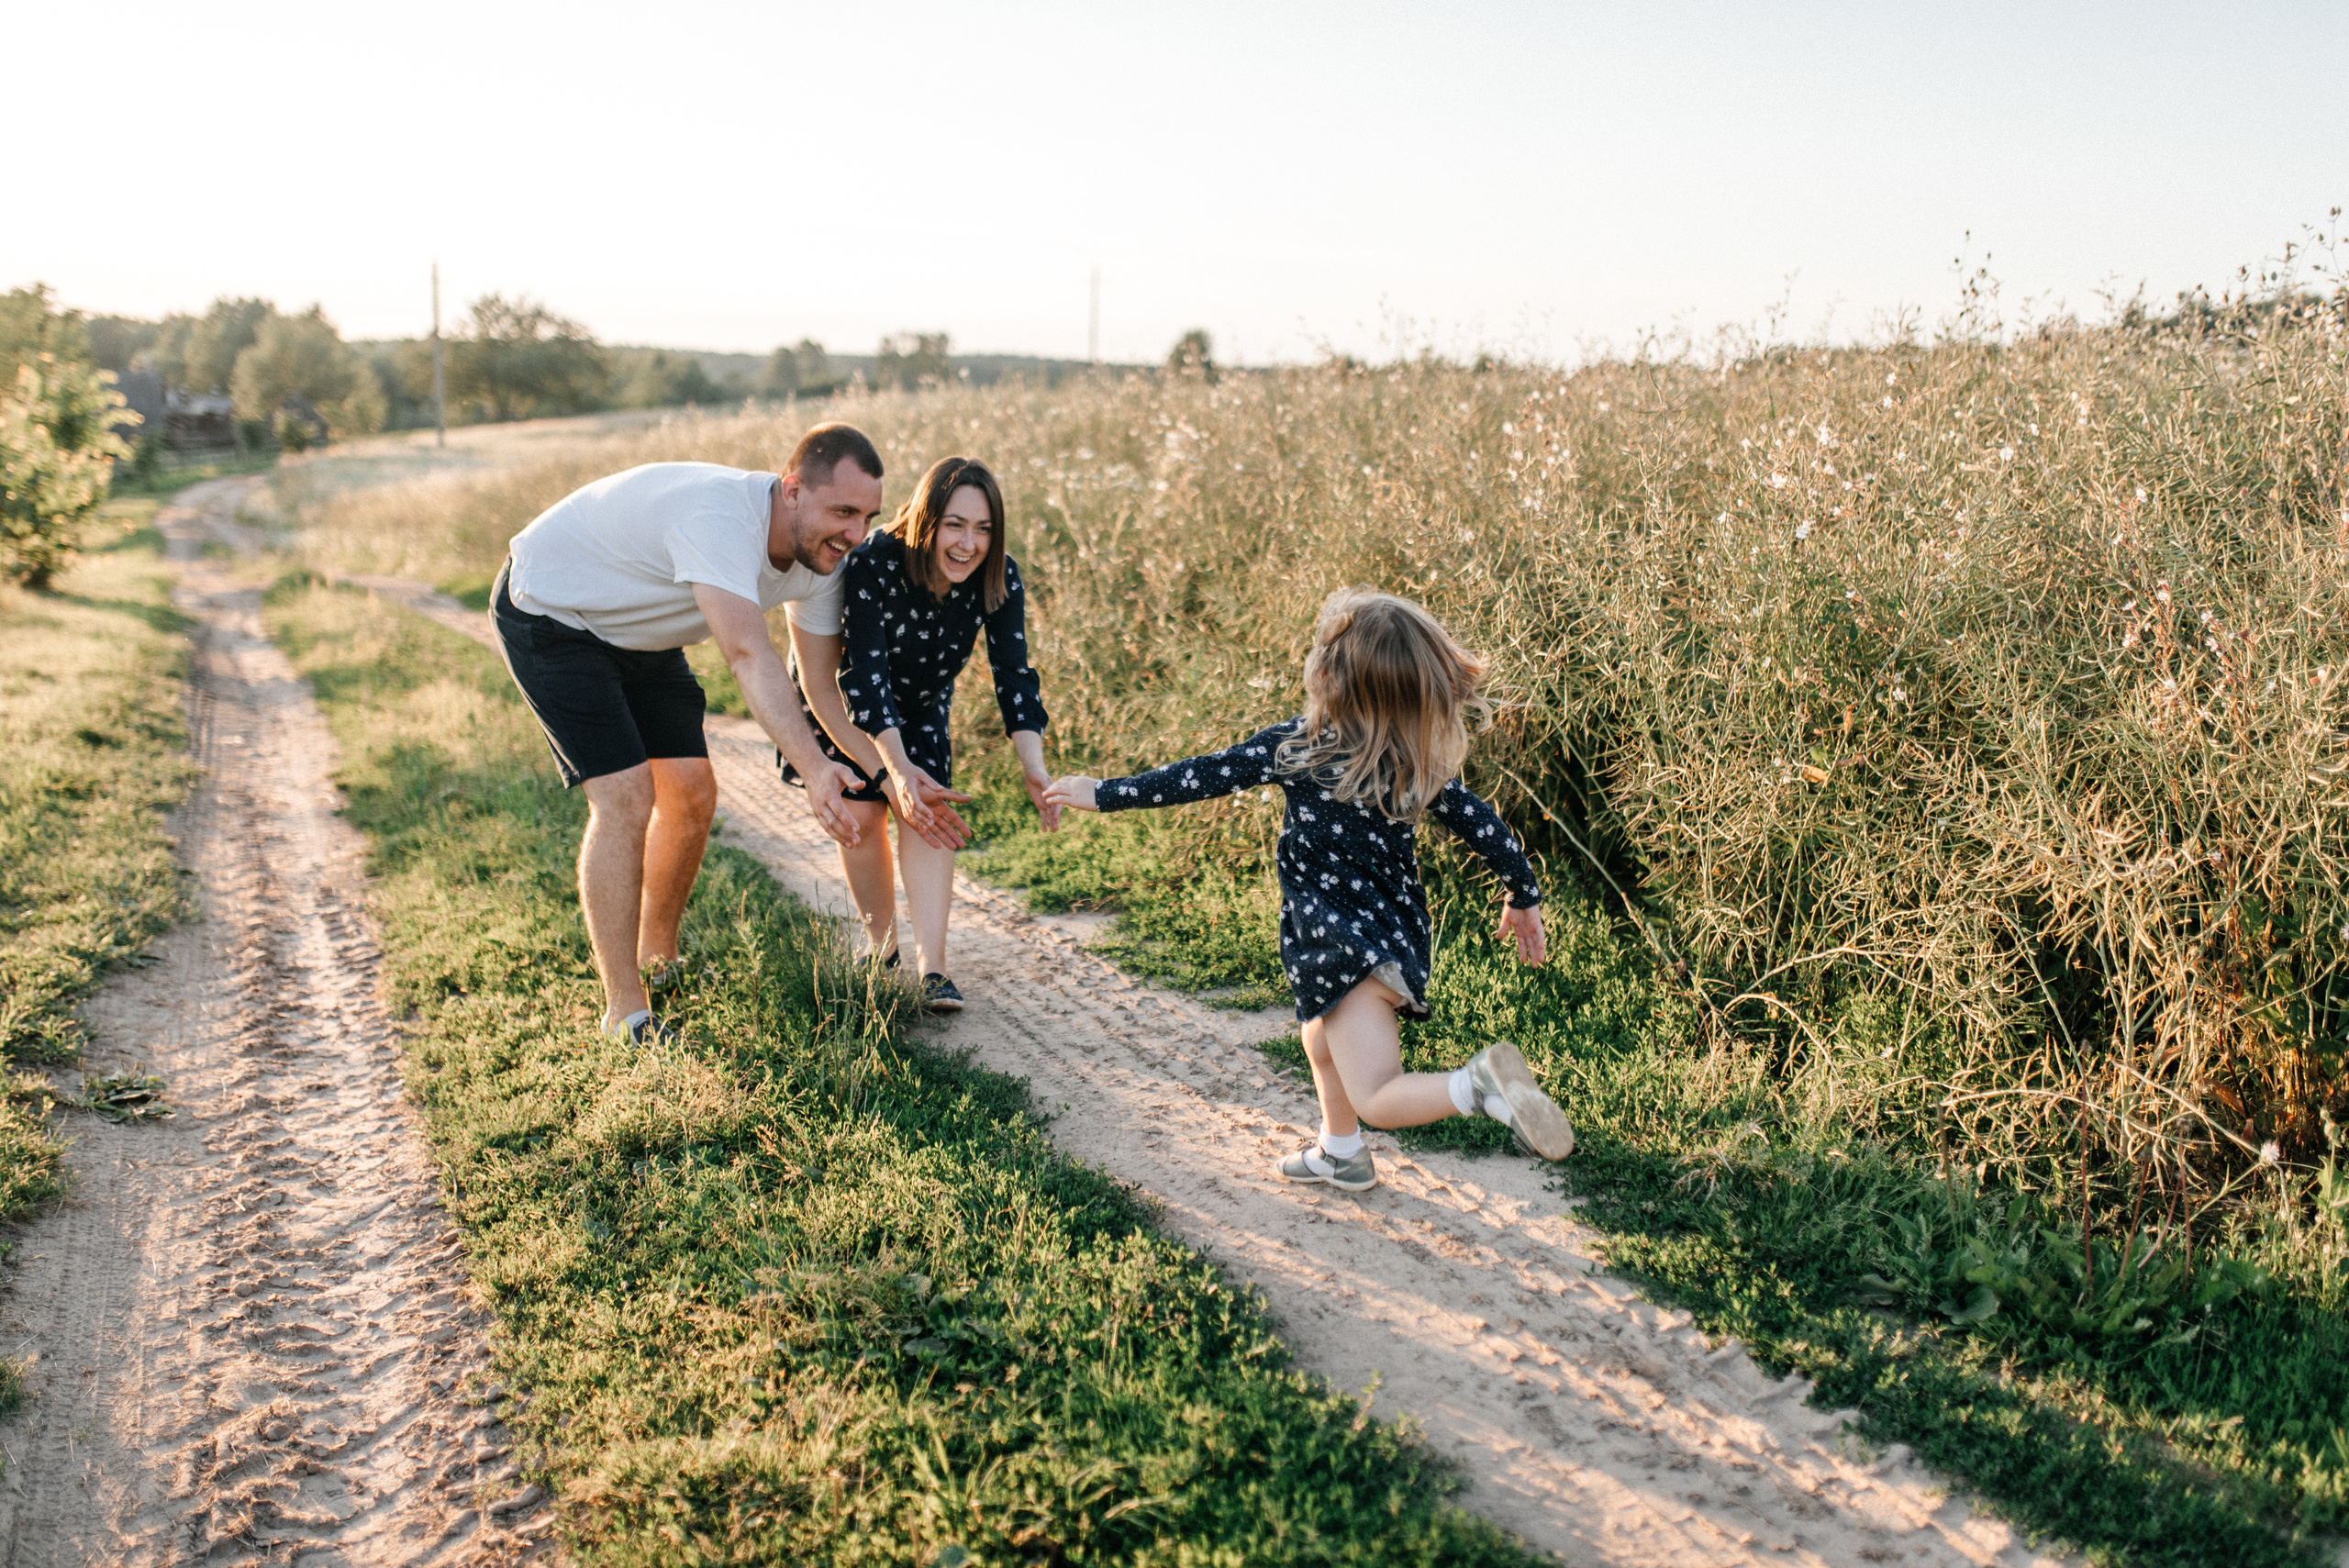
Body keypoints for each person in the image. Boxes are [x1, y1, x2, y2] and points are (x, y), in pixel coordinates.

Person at [1043, 587, 1572, 1192]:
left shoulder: (1297, 747)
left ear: (1329, 675)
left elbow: (1198, 775)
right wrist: (1522, 894)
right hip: (1394, 940)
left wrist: (1105, 792)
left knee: (1377, 1094)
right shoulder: (1413, 765)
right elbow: (1488, 826)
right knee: (1319, 1037)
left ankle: (1474, 1085)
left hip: (1339, 946)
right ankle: (1340, 1150)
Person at [493, 423, 946, 1042]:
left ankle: (660, 960)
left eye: (866, 516)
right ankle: (625, 1013)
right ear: (792, 491)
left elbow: (820, 685)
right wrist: (816, 769)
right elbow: (747, 654)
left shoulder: (822, 561)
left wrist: (892, 772)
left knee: (693, 789)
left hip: (641, 631)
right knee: (626, 795)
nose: (854, 534)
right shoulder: (720, 518)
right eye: (842, 511)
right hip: (553, 607)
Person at [783, 455, 1055, 1010]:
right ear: (927, 519)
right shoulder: (874, 562)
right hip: (847, 697)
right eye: (955, 524)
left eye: (983, 529)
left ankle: (935, 969)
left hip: (924, 701)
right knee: (864, 811)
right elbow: (865, 676)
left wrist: (1034, 765)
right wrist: (894, 771)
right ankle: (880, 950)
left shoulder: (998, 574)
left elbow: (1015, 675)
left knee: (927, 814)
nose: (968, 544)